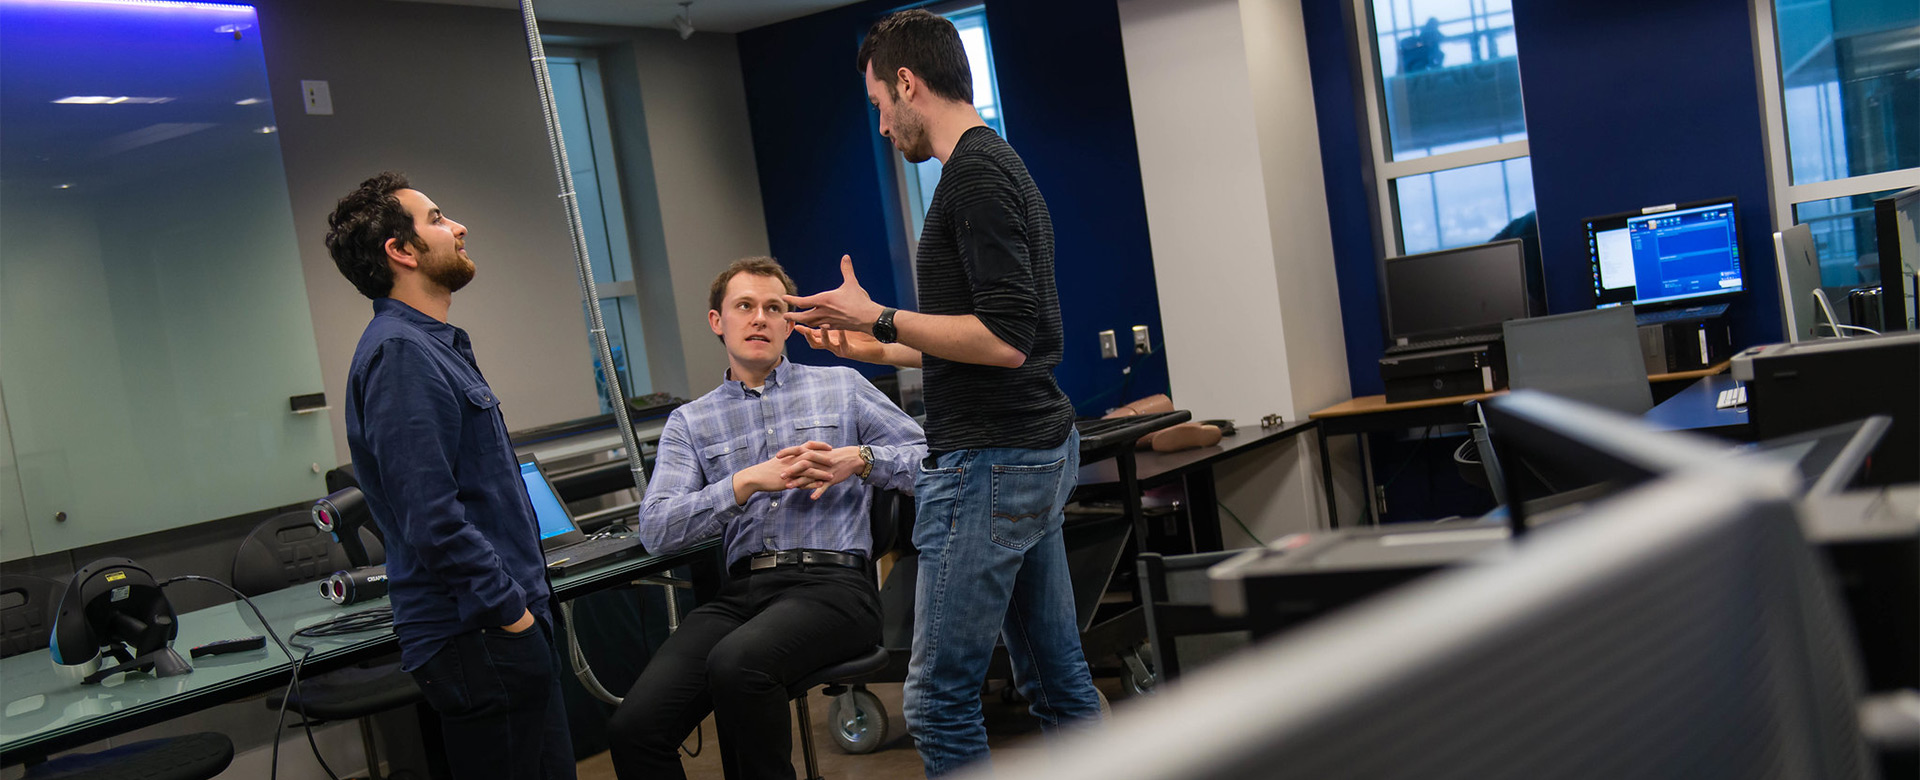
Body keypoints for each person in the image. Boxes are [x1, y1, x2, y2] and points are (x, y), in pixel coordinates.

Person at [783, 10, 1103, 776]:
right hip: (1024, 449)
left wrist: (882, 313)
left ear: (906, 83)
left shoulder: (975, 178)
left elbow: (1006, 338)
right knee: (1059, 685)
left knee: (935, 701)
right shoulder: (994, 166)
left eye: (878, 108)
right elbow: (982, 336)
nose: (884, 128)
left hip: (992, 462)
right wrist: (871, 343)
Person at [606, 257, 926, 780]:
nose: (759, 318)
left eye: (773, 308)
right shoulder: (690, 422)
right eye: (745, 306)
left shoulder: (842, 387)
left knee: (737, 663)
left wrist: (861, 459)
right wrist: (744, 483)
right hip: (741, 597)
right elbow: (657, 529)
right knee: (635, 729)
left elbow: (932, 463)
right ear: (718, 321)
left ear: (788, 324)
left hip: (835, 586)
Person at [326, 172, 573, 780]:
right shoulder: (401, 354)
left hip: (497, 628)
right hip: (481, 634)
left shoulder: (431, 344)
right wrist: (509, 614)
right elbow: (431, 518)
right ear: (402, 251)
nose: (458, 226)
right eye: (437, 219)